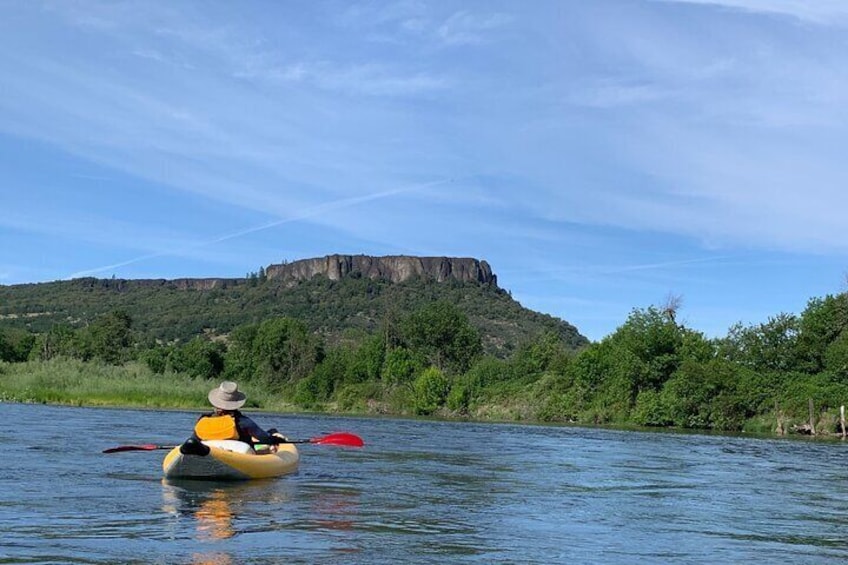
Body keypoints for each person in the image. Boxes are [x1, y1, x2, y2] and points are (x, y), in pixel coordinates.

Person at [188, 381, 282, 451]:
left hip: (210, 451)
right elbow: (264, 438)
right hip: (240, 454)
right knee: (272, 433)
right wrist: (275, 438)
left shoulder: (204, 419)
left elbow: (194, 439)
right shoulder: (242, 421)